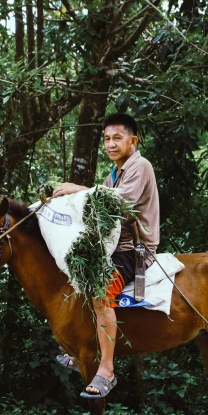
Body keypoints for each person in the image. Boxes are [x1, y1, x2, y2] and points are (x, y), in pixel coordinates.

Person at [52, 113, 160, 398]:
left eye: (117, 138)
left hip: (132, 250)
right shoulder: (115, 172)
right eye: (107, 139)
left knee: (100, 294)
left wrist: (78, 189)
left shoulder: (140, 166)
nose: (111, 144)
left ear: (132, 140)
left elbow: (118, 205)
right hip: (112, 246)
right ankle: (80, 349)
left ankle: (107, 371)